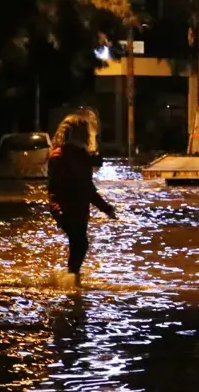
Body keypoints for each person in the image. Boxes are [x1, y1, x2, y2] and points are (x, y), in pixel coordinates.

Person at [48, 115, 117, 288]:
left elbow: (56, 188)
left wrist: (105, 208)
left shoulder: (66, 155)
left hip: (72, 207)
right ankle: (72, 284)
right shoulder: (70, 155)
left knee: (78, 244)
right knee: (80, 244)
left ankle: (71, 284)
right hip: (71, 207)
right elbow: (84, 188)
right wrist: (105, 208)